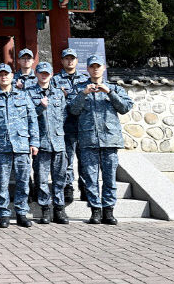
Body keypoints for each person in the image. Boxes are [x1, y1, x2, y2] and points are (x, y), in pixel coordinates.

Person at [69, 55, 133, 225]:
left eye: (98, 66)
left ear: (104, 68)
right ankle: (95, 210)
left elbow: (125, 107)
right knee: (90, 178)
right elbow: (72, 110)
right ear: (87, 69)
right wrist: (83, 94)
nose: (95, 69)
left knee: (109, 177)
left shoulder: (114, 88)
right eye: (92, 67)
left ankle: (109, 211)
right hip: (88, 139)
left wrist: (109, 93)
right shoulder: (79, 88)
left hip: (109, 140)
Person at [0, 64, 39, 228]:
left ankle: (22, 212)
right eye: (0, 75)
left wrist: (34, 142)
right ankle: (4, 214)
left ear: (12, 76)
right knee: (1, 182)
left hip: (21, 145)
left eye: (6, 74)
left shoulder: (23, 96)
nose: (4, 77)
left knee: (23, 181)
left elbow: (32, 120)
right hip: (2, 146)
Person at [26, 62, 69, 225]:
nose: (44, 75)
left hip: (58, 141)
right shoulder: (29, 93)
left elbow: (63, 116)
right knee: (41, 178)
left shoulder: (58, 93)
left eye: (47, 73)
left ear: (51, 74)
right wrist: (40, 107)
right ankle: (45, 209)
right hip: (41, 142)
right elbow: (28, 116)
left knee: (59, 178)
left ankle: (59, 209)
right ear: (36, 74)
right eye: (41, 72)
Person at [52, 48, 90, 204]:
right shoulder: (55, 80)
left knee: (85, 158)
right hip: (65, 124)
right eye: (67, 58)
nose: (70, 61)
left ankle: (85, 187)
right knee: (67, 158)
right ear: (62, 61)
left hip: (83, 124)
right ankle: (68, 186)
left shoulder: (84, 80)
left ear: (77, 61)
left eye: (72, 58)